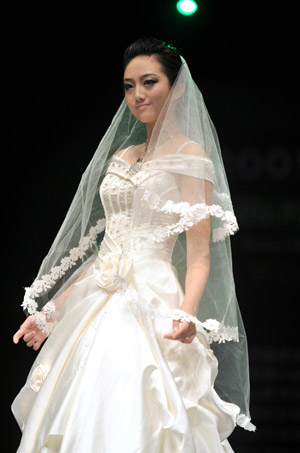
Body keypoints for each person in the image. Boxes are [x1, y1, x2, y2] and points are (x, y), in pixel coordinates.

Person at [12, 37, 255, 452]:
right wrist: (52, 311)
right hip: (98, 301)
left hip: (153, 302)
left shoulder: (190, 155)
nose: (138, 95)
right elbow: (108, 250)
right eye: (129, 86)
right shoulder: (123, 155)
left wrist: (188, 312)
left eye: (149, 82)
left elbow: (198, 255)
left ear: (174, 87)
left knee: (146, 406)